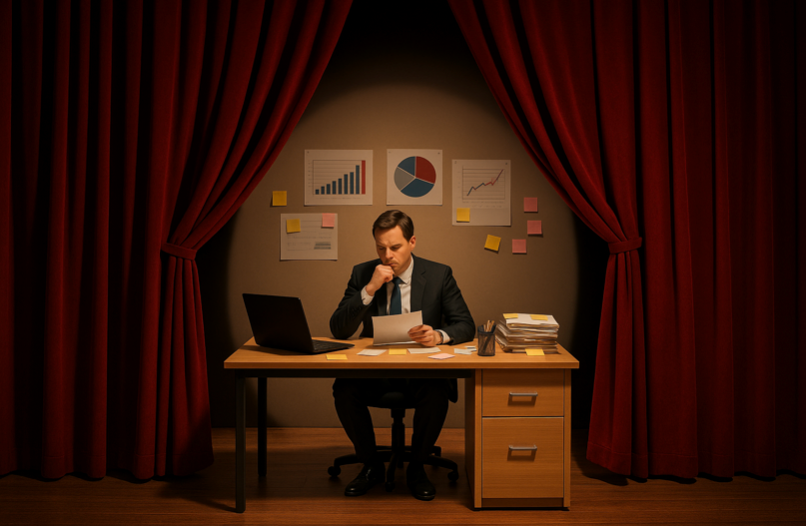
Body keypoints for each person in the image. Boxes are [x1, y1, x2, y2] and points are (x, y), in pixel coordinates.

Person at [330, 210, 474, 501]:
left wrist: (438, 335)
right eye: (380, 248)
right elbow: (339, 330)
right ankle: (370, 466)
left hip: (421, 370)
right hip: (375, 370)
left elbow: (465, 324)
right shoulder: (363, 273)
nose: (387, 255)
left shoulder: (438, 274)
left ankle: (417, 467)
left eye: (394, 247)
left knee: (436, 389)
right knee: (344, 388)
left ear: (412, 242)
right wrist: (370, 288)